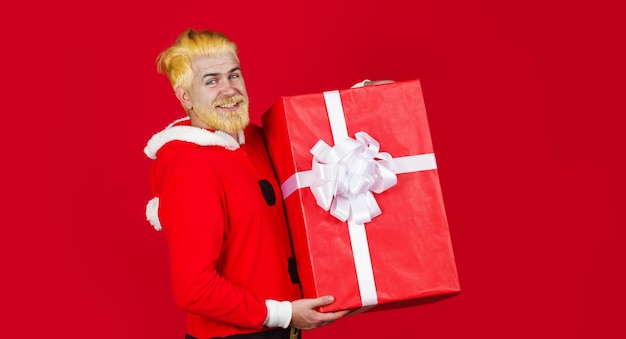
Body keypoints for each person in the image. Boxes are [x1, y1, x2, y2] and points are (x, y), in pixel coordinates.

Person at [143, 28, 350, 339]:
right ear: (184, 96)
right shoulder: (189, 166)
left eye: (233, 75)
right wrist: (284, 314)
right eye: (211, 81)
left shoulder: (254, 139)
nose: (229, 90)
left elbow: (320, 142)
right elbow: (194, 289)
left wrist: (367, 98)